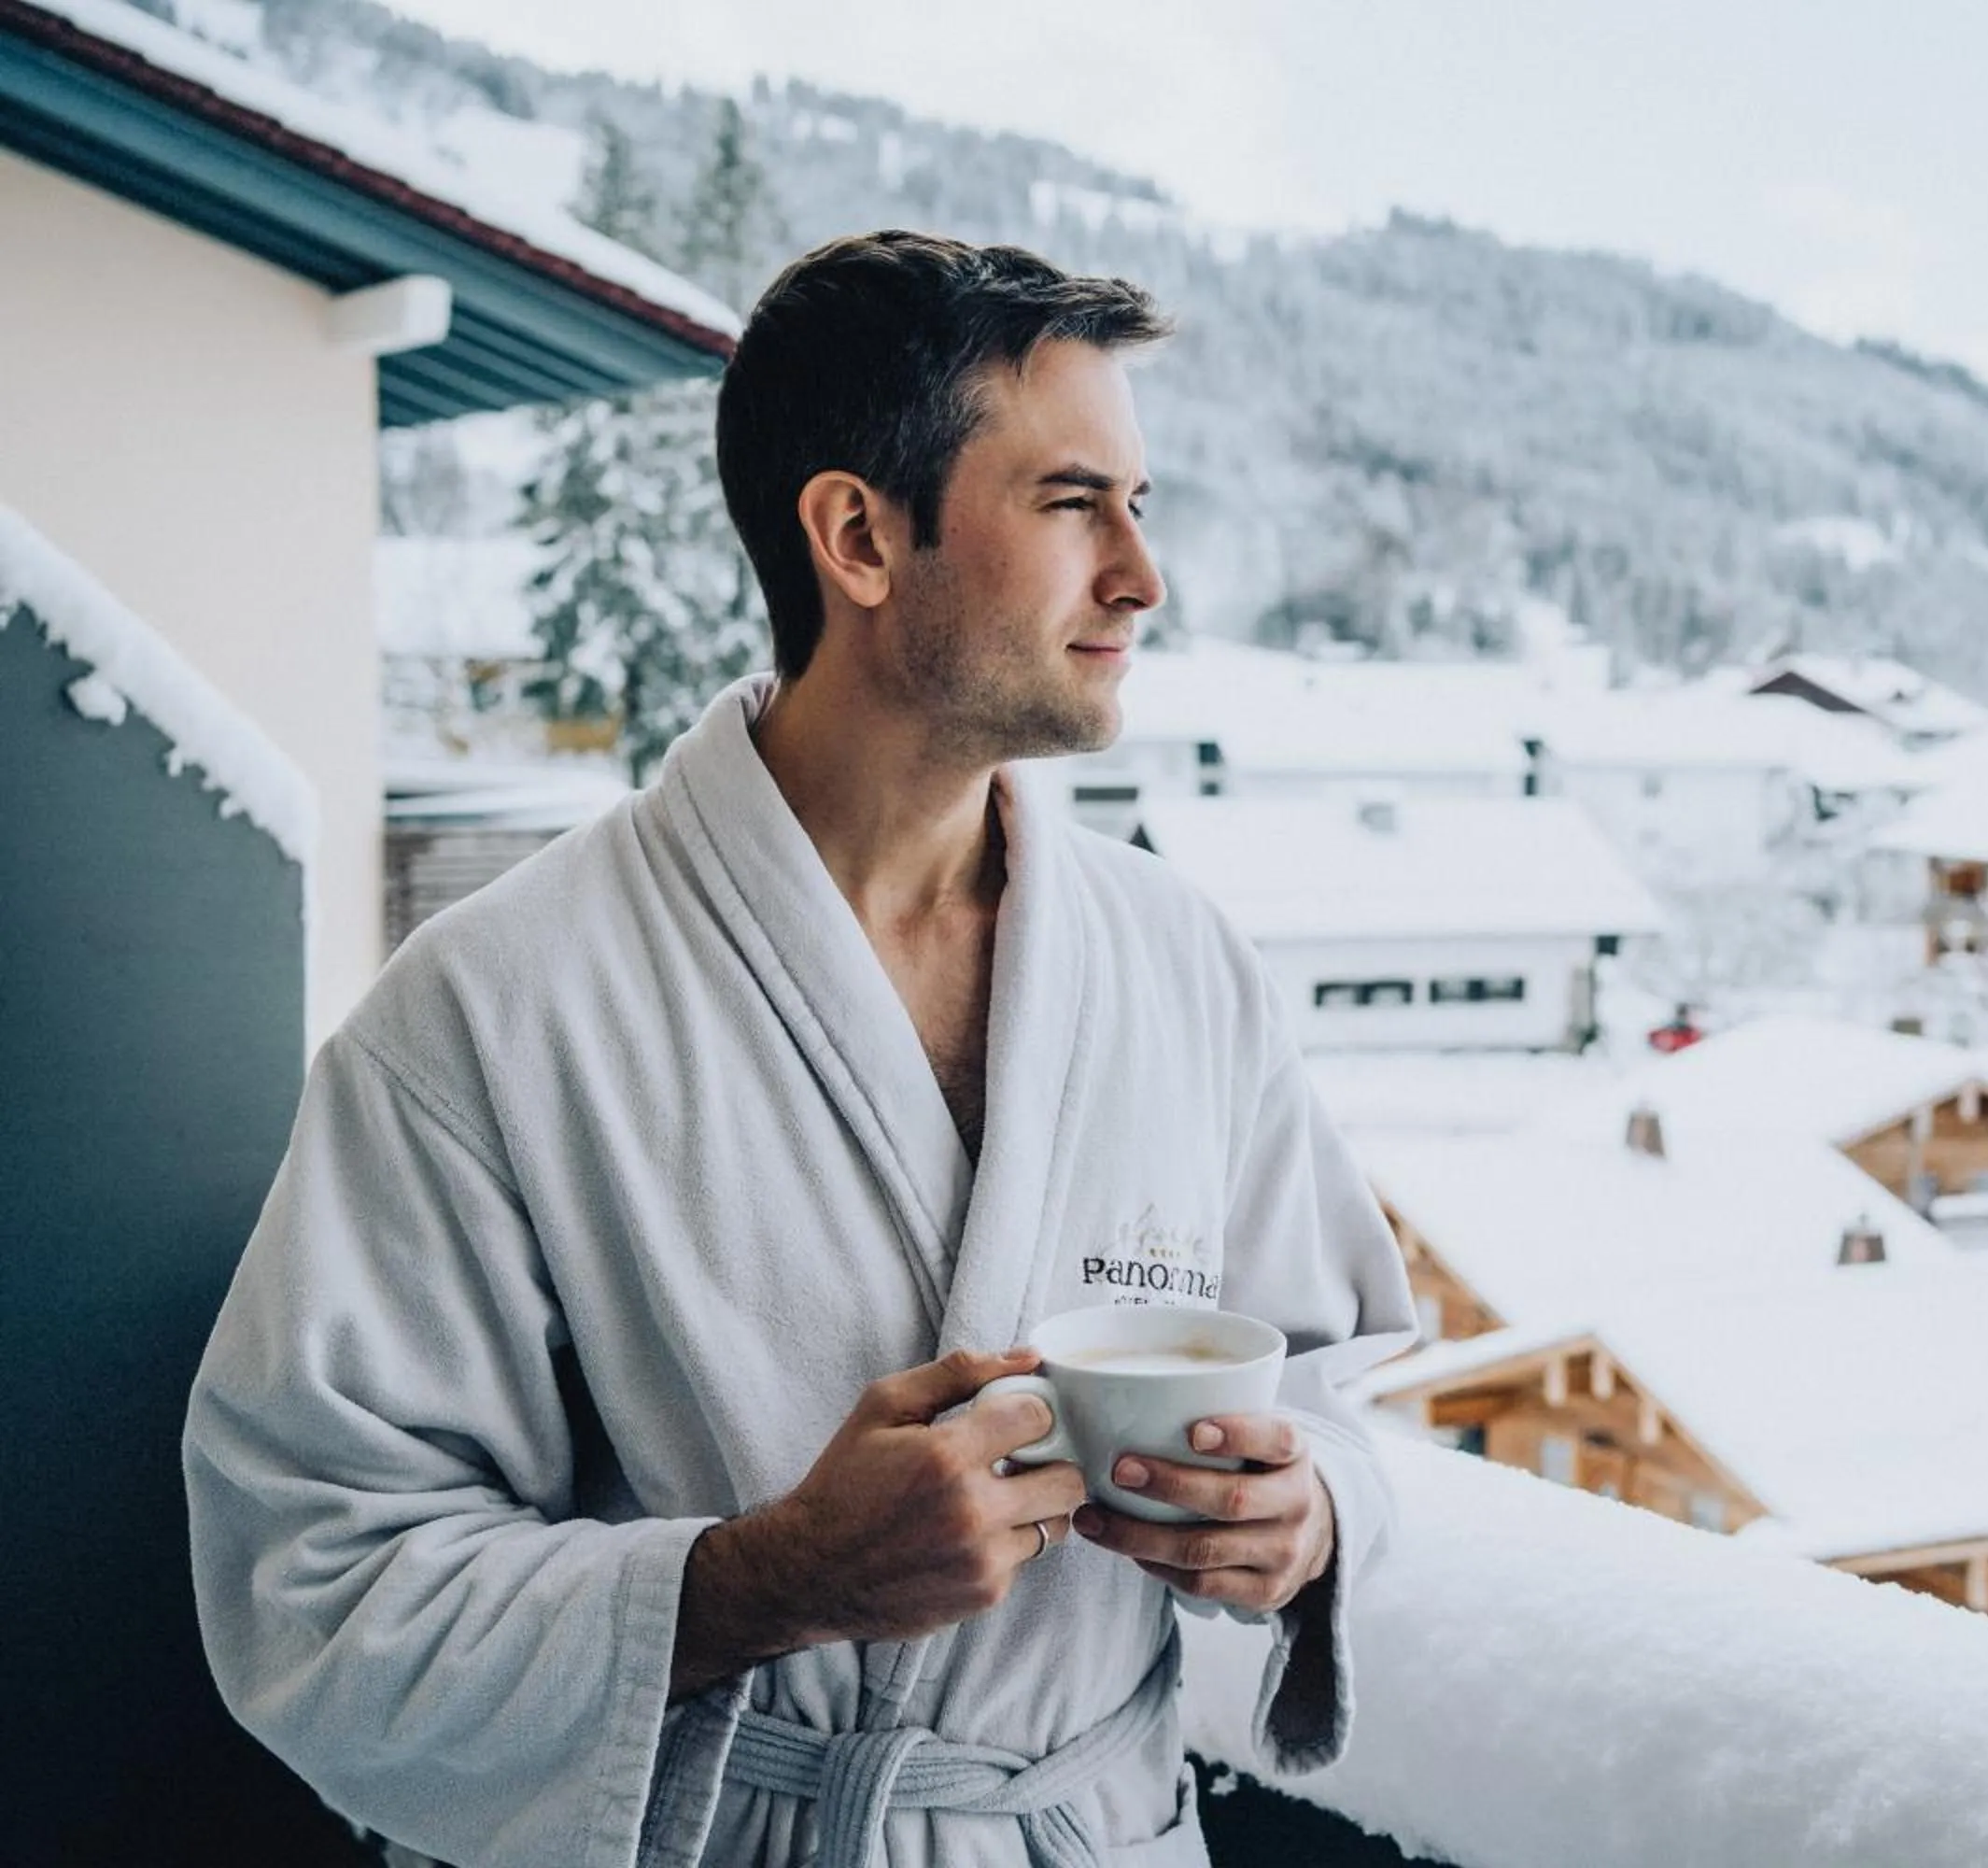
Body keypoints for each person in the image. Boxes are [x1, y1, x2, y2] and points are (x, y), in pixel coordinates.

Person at [184, 232, 1417, 1868]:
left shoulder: (1179, 965)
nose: (1141, 574)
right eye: (1071, 504)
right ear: (857, 536)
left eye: (1142, 502)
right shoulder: (497, 1004)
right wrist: (763, 1582)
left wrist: (1309, 1515)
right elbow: (315, 1579)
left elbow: (1335, 1388)